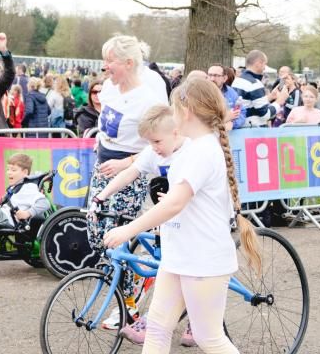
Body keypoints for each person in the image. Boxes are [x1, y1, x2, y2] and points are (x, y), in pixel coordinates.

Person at [103, 78, 260, 353]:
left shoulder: (201, 151)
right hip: (180, 256)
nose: (171, 115)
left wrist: (128, 230)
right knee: (157, 329)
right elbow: (178, 203)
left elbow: (174, 203)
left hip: (202, 259)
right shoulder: (196, 147)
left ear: (185, 111)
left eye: (173, 109)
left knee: (208, 337)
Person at [87, 105, 189, 344]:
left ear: (175, 132)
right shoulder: (156, 151)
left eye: (156, 142)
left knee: (209, 330)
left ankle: (192, 321)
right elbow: (130, 173)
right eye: (149, 143)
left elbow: (185, 199)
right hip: (174, 219)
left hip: (196, 224)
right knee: (166, 269)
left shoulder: (191, 153)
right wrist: (101, 196)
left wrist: (178, 201)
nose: (153, 148)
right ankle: (153, 319)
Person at [85, 35, 160, 304]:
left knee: (118, 239)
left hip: (130, 172)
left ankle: (127, 302)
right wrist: (100, 142)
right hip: (102, 167)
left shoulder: (148, 100)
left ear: (128, 63)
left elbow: (158, 146)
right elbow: (106, 125)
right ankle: (136, 278)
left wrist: (125, 163)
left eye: (110, 61)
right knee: (95, 232)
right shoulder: (108, 87)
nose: (105, 67)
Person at [231, 50, 289, 127]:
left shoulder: (237, 80)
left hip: (241, 128)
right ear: (258, 63)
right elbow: (265, 114)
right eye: (264, 64)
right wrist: (280, 101)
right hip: (253, 131)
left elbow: (251, 103)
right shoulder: (254, 83)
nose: (264, 68)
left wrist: (270, 97)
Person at [207, 64, 245, 131]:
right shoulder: (201, 93)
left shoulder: (231, 92)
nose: (212, 79)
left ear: (224, 78)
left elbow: (241, 112)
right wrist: (224, 120)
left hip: (228, 135)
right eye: (210, 75)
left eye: (216, 76)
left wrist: (233, 124)